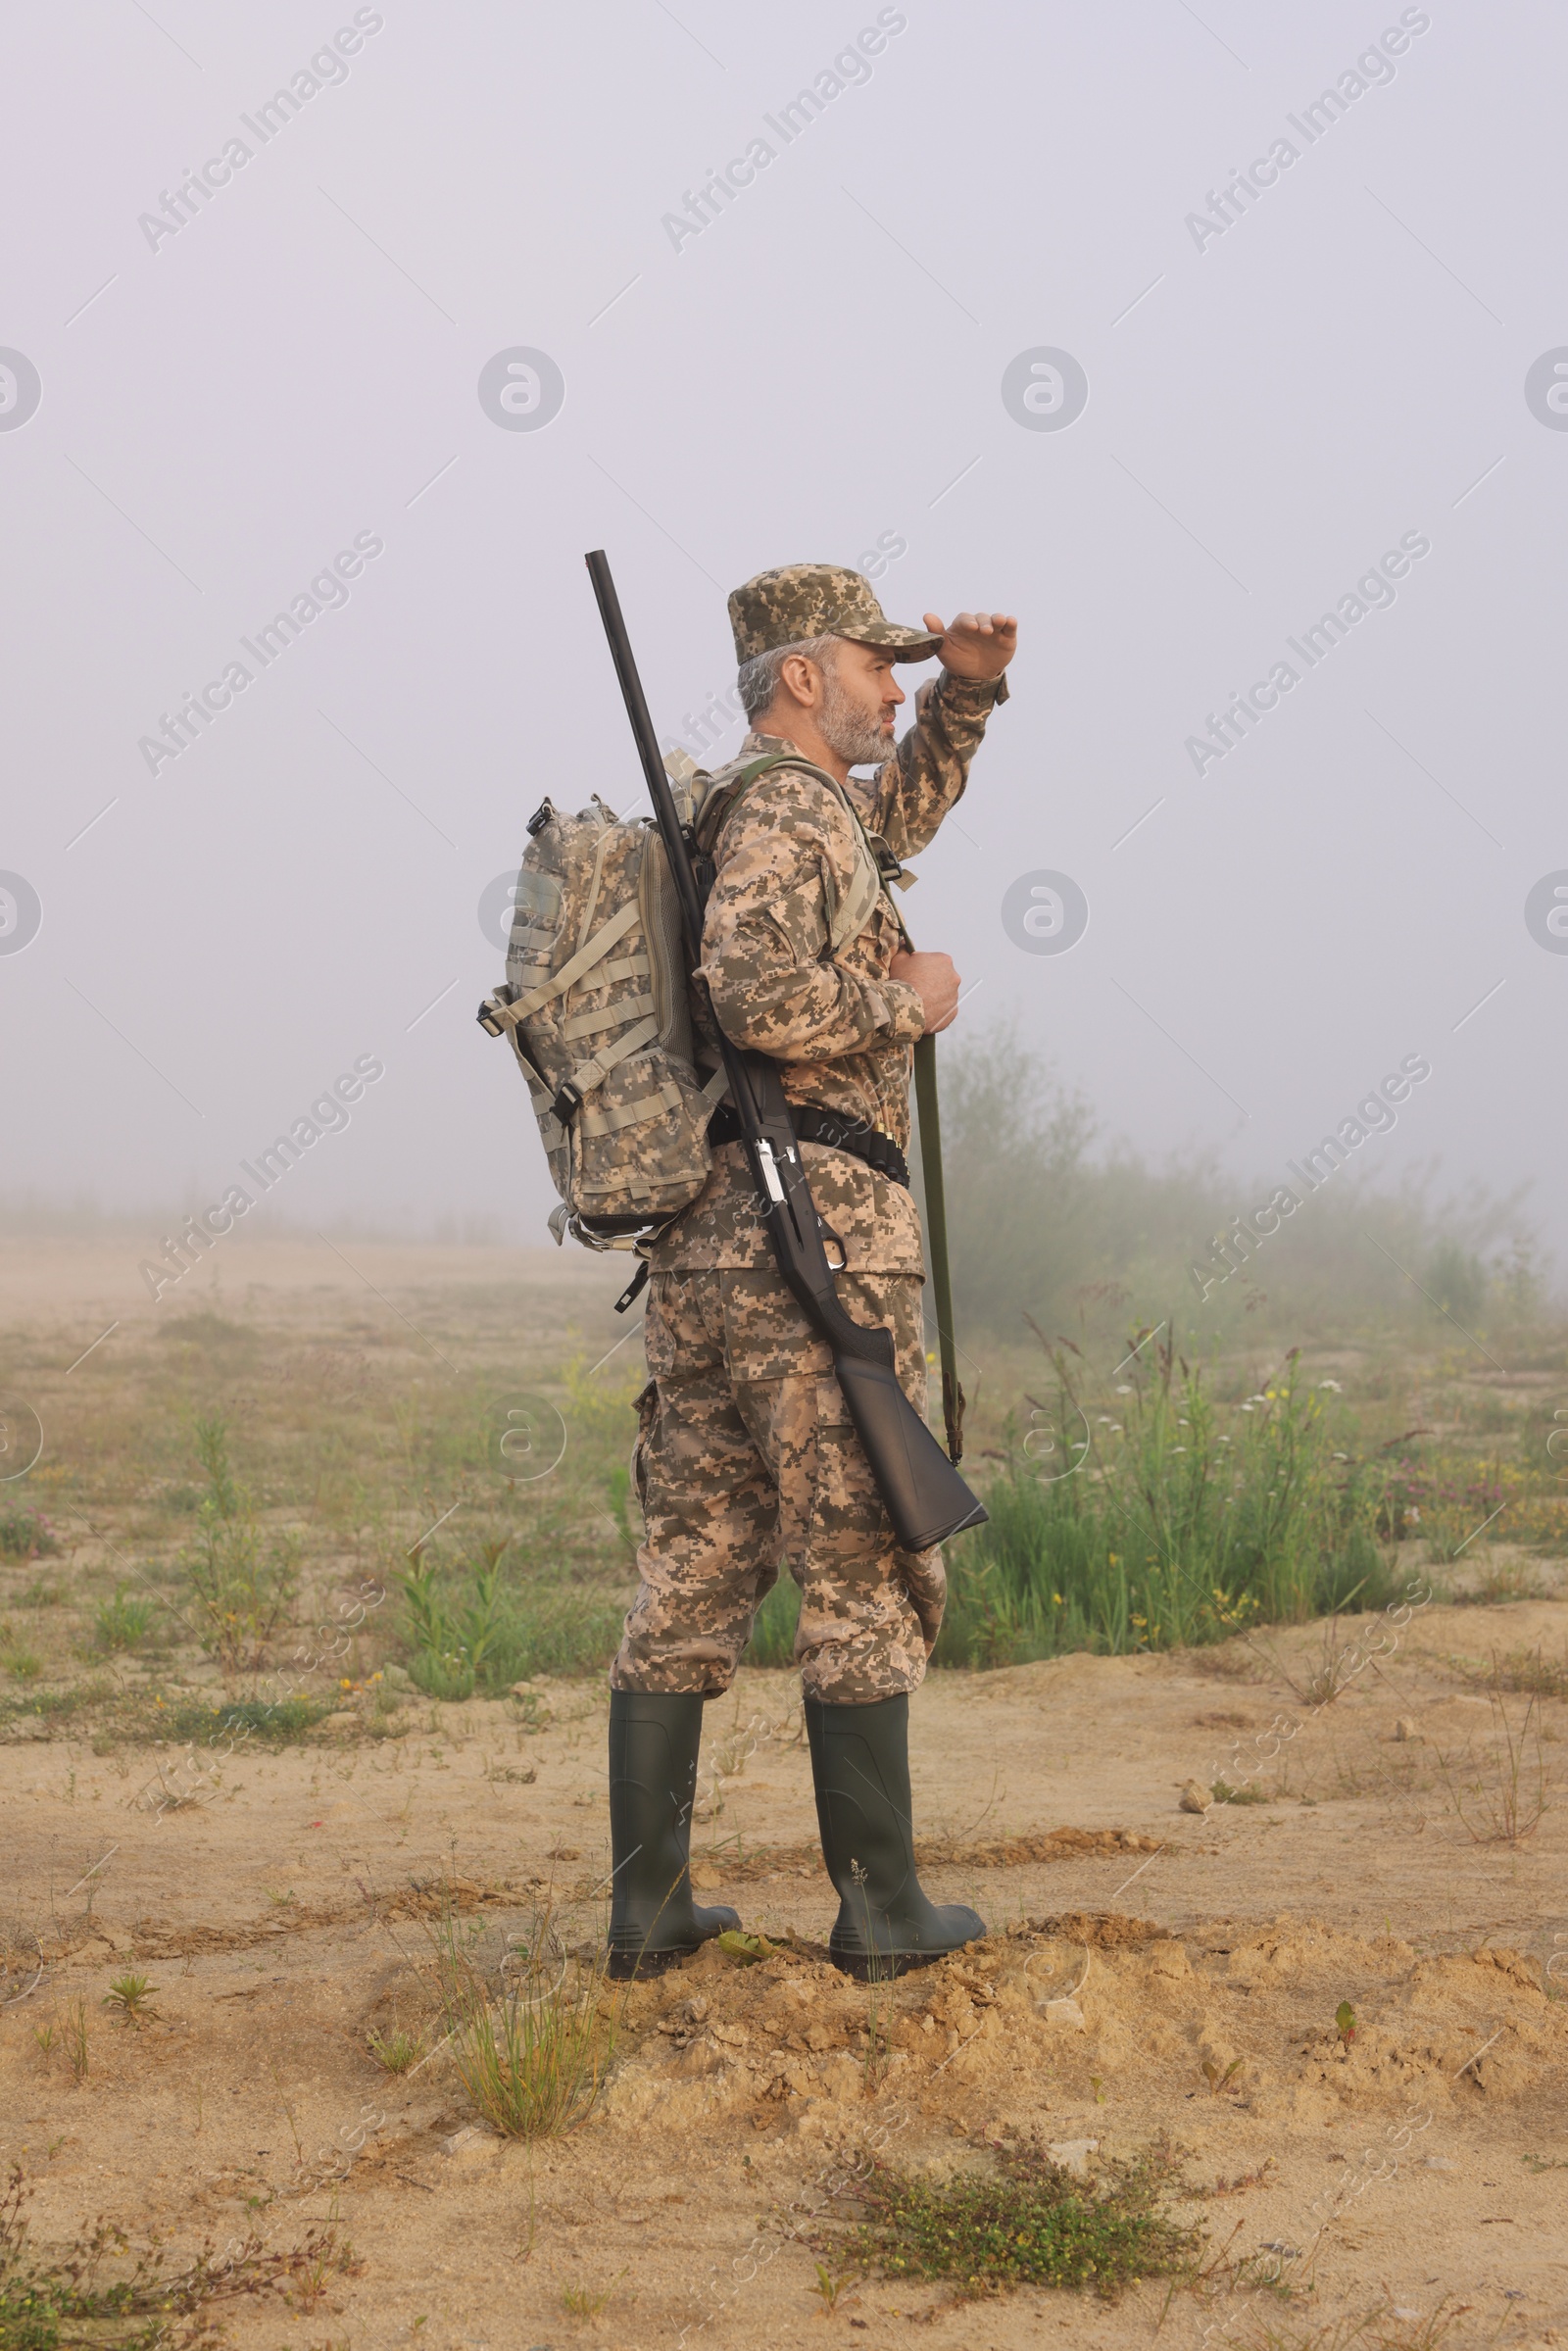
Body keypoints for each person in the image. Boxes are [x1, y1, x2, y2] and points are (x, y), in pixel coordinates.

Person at [606, 563, 1017, 1979]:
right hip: (811, 1243)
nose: (890, 690)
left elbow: (886, 818)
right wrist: (901, 1004)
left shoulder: (787, 807)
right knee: (858, 1564)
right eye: (876, 668)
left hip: (718, 1251)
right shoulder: (786, 808)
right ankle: (885, 1909)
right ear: (801, 677)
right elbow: (753, 987)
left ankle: (649, 1908)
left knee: (697, 1559)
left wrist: (966, 694)